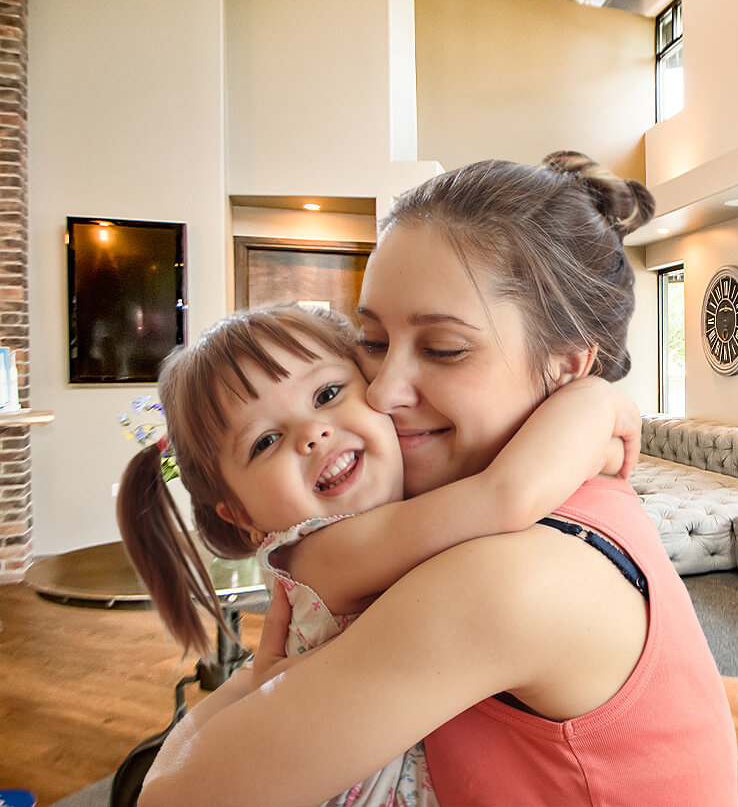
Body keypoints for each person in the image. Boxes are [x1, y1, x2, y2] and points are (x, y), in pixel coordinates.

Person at [137, 152, 738, 807]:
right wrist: (589, 404)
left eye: (443, 348)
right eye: (371, 340)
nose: (386, 390)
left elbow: (172, 794)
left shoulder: (508, 577)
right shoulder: (551, 499)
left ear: (568, 365)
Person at [118, 302, 639, 807]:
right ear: (241, 515)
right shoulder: (323, 550)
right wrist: (594, 402)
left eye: (326, 393)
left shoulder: (405, 517)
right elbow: (504, 496)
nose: (312, 434)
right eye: (265, 442)